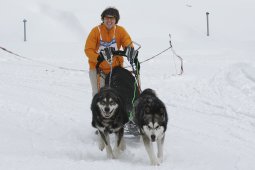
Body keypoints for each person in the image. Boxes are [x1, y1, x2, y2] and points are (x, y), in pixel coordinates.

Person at [85, 7, 133, 96]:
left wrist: (130, 50)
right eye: (107, 18)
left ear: (116, 20)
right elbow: (88, 49)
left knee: (117, 94)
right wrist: (98, 57)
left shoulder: (120, 31)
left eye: (112, 18)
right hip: (97, 68)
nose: (109, 21)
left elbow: (127, 42)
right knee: (98, 94)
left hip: (115, 68)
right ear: (103, 19)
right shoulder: (96, 31)